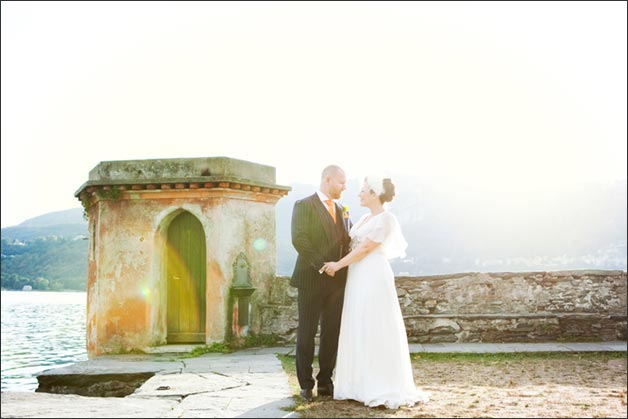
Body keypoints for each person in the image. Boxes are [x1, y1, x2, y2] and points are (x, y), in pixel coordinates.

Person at [322, 176, 430, 409]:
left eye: (363, 191)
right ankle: (357, 384)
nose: (359, 194)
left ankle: (379, 384)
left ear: (374, 194)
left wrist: (338, 265)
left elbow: (365, 248)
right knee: (357, 322)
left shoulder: (386, 219)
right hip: (357, 276)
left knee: (374, 323)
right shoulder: (364, 218)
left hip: (372, 274)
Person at [290, 165, 352, 402]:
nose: (345, 186)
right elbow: (299, 239)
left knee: (331, 333)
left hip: (337, 282)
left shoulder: (342, 209)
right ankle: (306, 385)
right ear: (327, 180)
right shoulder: (303, 205)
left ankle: (326, 381)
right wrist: (321, 264)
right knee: (306, 332)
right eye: (341, 182)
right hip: (311, 278)